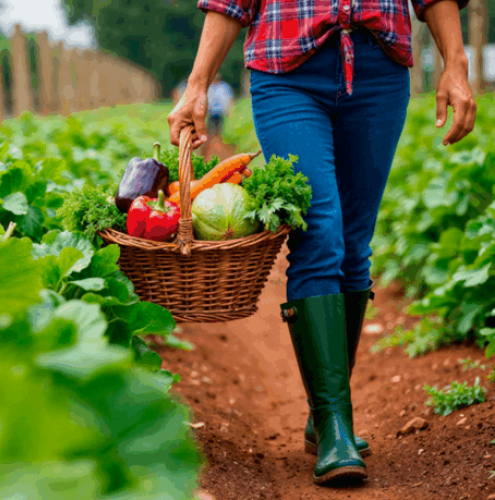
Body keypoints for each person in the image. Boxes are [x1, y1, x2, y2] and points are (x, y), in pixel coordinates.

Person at [168, 0, 475, 487]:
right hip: (286, 67)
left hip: (380, 68)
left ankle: (324, 412)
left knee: (355, 246)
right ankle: (336, 424)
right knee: (319, 233)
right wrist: (198, 82)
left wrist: (455, 64)